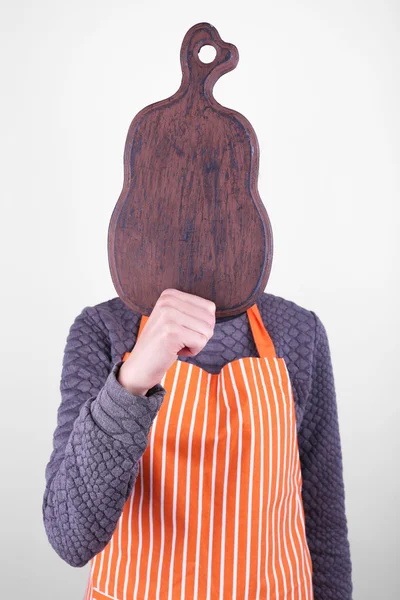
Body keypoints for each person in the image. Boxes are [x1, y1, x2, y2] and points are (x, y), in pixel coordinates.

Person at [42, 287, 353, 599]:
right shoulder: (104, 328)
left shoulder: (298, 331)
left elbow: (324, 521)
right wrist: (131, 382)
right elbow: (72, 539)